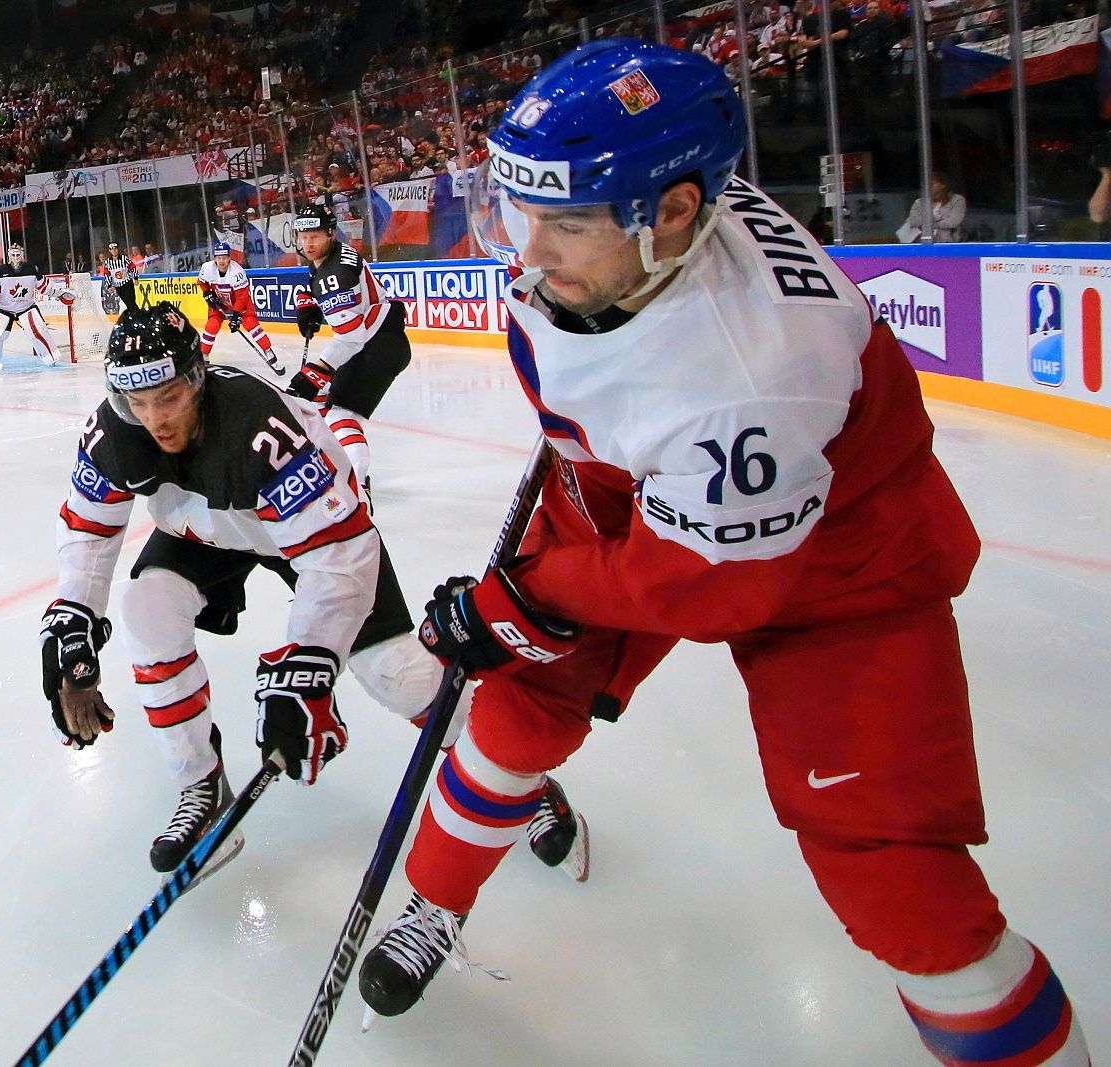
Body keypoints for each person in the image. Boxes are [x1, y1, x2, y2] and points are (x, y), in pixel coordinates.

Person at [357, 39, 1090, 1067]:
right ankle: (434, 900)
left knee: (896, 883)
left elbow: (703, 587)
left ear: (673, 213)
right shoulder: (639, 240)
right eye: (523, 214)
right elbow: (610, 398)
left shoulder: (751, 373)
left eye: (564, 224)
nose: (530, 255)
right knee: (518, 704)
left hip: (842, 561)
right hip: (649, 487)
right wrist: (528, 594)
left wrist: (520, 593)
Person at [41, 304, 582, 877]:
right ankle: (201, 791)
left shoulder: (260, 428)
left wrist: (311, 663)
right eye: (137, 403)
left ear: (197, 376)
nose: (155, 419)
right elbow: (87, 528)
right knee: (145, 611)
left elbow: (337, 556)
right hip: (201, 530)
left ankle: (512, 776)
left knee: (397, 676)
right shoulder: (113, 432)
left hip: (314, 536)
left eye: (168, 396)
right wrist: (72, 618)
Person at [289, 203, 412, 497]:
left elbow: (350, 337)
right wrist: (308, 302)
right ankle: (331, 465)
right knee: (320, 400)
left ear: (331, 233)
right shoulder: (329, 256)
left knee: (340, 415)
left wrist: (315, 372)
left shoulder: (336, 274)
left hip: (375, 346)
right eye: (302, 236)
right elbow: (314, 278)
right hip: (378, 340)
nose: (308, 243)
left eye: (314, 236)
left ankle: (357, 487)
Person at [196, 240, 283, 376]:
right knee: (211, 326)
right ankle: (204, 355)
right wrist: (207, 293)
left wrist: (236, 315)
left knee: (252, 325)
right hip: (220, 302)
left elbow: (242, 296)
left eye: (224, 257)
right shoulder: (207, 268)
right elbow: (202, 283)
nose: (221, 261)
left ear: (230, 257)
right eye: (219, 258)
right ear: (214, 258)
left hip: (240, 303)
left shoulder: (237, 272)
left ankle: (267, 350)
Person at [0, 243, 58, 369]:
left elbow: (45, 286)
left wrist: (60, 292)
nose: (16, 257)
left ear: (22, 255)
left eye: (18, 255)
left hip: (26, 307)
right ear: (9, 256)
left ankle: (51, 357)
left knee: (38, 330)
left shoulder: (32, 269)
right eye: (13, 255)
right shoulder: (0, 271)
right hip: (4, 309)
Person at [900, 172, 968, 243]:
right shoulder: (919, 202)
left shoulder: (957, 200)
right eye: (926, 184)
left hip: (949, 243)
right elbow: (914, 221)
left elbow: (953, 222)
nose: (929, 186)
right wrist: (938, 219)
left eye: (932, 184)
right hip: (924, 243)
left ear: (943, 185)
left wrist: (930, 223)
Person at [100, 240, 139, 311]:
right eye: (112, 249)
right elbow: (107, 275)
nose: (114, 251)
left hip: (127, 283)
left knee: (131, 302)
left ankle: (138, 317)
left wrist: (135, 277)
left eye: (115, 249)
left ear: (117, 249)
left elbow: (133, 267)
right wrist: (109, 285)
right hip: (118, 286)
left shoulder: (124, 258)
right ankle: (137, 316)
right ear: (110, 251)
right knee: (128, 303)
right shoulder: (107, 262)